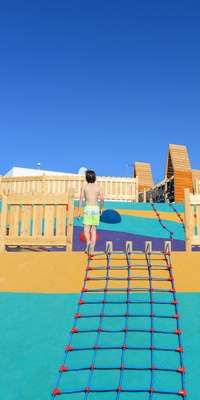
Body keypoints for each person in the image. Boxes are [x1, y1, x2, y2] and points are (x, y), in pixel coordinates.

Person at [77, 170, 104, 254]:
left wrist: (78, 211)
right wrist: (101, 208)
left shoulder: (84, 187)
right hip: (95, 209)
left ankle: (88, 242)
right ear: (95, 178)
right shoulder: (98, 187)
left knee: (86, 229)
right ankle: (92, 249)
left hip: (88, 208)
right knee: (93, 230)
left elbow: (80, 200)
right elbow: (102, 199)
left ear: (86, 178)